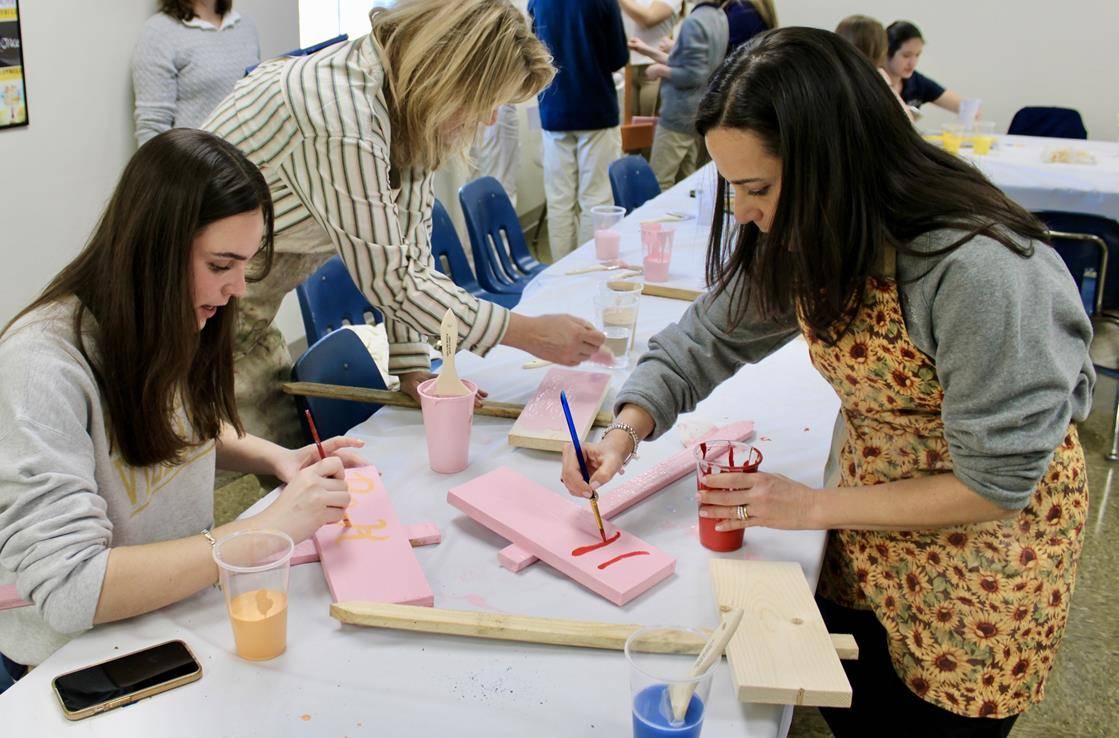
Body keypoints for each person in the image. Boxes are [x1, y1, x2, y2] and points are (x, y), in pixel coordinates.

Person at [563, 28, 1091, 735]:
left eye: (757, 188)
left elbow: (991, 487)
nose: (744, 212)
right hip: (866, 515)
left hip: (981, 557)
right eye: (733, 189)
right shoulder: (816, 231)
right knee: (856, 702)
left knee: (930, 719)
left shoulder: (980, 270)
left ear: (833, 164)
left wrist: (810, 507)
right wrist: (624, 428)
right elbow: (707, 337)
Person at [0, 130, 364, 690]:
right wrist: (264, 530)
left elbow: (178, 430)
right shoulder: (40, 367)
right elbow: (73, 589)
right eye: (221, 264)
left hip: (167, 621)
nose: (237, 288)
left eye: (244, 265)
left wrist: (277, 459)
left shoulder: (166, 316)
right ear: (154, 251)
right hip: (73, 666)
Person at [204, 0, 604, 448]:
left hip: (242, 301)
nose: (491, 117)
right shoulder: (341, 113)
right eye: (487, 99)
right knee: (180, 464)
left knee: (288, 455)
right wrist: (529, 333)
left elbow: (410, 258)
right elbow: (393, 281)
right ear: (450, 73)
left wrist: (411, 367)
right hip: (171, 294)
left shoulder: (408, 108)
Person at [528, 0, 629, 258]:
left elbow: (530, 51)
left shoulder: (537, 2)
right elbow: (618, 57)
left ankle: (562, 272)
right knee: (596, 199)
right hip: (596, 111)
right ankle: (589, 270)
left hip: (554, 110)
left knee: (559, 201)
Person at [629, 2, 727, 192]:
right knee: (687, 180)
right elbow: (694, 66)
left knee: (660, 180)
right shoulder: (719, 16)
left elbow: (693, 74)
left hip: (678, 114)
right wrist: (648, 51)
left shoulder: (695, 21)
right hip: (696, 111)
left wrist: (659, 70)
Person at [132, 0, 260, 146]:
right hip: (195, 165)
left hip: (248, 162)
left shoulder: (246, 25)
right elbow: (152, 129)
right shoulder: (158, 33)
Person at [835, 15, 913, 122]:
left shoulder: (829, 75)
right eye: (906, 55)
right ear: (881, 50)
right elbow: (906, 121)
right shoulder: (878, 78)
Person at [884, 21, 963, 114]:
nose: (912, 63)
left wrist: (971, 111)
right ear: (886, 52)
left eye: (917, 55)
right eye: (906, 55)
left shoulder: (915, 81)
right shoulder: (871, 83)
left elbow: (964, 106)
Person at [618, 0, 680, 117]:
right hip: (627, 67)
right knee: (628, 128)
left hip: (655, 67)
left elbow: (648, 19)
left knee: (649, 126)